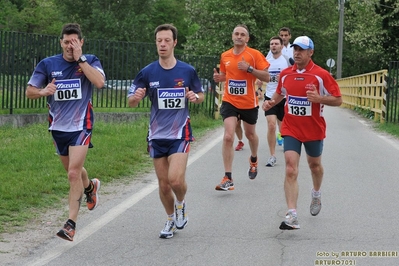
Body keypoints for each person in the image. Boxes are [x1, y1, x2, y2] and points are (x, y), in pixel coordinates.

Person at [26, 23, 105, 241]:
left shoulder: (91, 60)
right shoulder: (48, 64)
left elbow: (99, 83)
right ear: (61, 42)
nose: (70, 45)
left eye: (74, 41)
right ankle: (91, 187)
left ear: (81, 42)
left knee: (72, 173)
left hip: (81, 125)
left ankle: (71, 224)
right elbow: (29, 92)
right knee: (75, 172)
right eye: (66, 41)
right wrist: (43, 91)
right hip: (58, 128)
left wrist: (81, 60)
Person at [127, 24, 204, 239]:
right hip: (156, 135)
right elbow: (131, 101)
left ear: (174, 42)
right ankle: (170, 219)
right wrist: (136, 97)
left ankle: (180, 205)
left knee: (175, 180)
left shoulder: (187, 71)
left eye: (167, 40)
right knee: (162, 185)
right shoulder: (147, 72)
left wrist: (194, 98)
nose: (162, 44)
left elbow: (200, 94)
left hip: (179, 133)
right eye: (159, 40)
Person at [262, 36, 342, 230]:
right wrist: (271, 102)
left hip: (313, 128)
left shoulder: (321, 75)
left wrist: (319, 98)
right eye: (295, 49)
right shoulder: (286, 73)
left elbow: (338, 99)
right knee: (290, 168)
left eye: (301, 49)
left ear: (310, 52)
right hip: (291, 127)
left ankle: (316, 193)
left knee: (315, 166)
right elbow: (281, 92)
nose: (297, 52)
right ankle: (292, 214)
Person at [213, 24, 270, 191]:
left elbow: (267, 76)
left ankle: (253, 159)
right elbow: (227, 75)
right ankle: (228, 177)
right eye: (236, 34)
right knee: (228, 137)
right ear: (232, 37)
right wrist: (219, 78)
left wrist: (250, 69)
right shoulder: (225, 56)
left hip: (249, 103)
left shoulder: (254, 55)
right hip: (230, 101)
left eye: (242, 34)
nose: (239, 36)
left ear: (247, 39)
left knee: (250, 134)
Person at [257, 36, 289, 167]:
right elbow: (260, 77)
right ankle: (272, 156)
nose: (274, 46)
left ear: (281, 46)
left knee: (283, 129)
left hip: (285, 98)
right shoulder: (266, 61)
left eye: (276, 44)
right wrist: (259, 89)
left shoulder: (287, 61)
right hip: (270, 97)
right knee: (271, 125)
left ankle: (288, 150)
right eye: (271, 44)